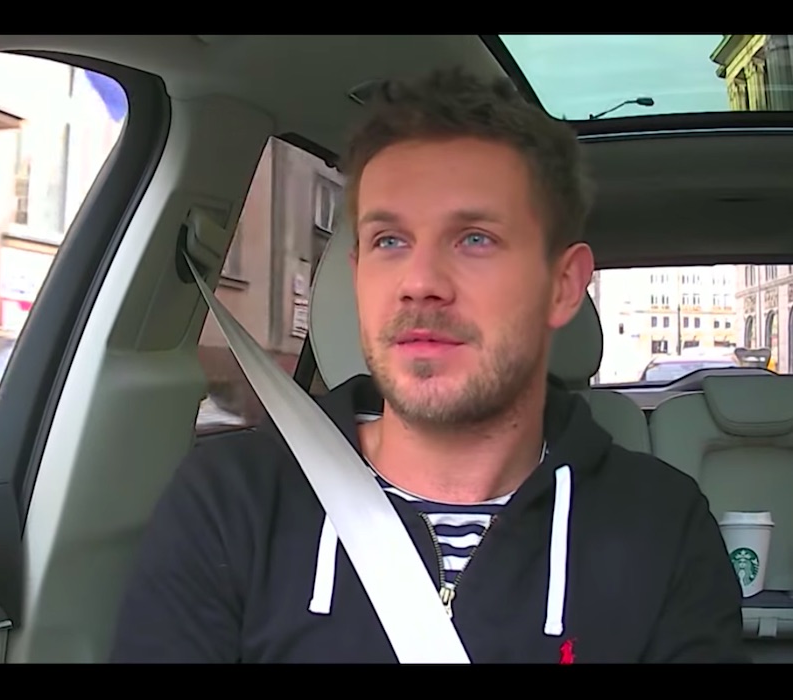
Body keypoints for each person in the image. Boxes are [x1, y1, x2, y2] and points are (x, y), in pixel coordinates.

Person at [109, 69, 747, 663]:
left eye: (475, 239)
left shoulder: (662, 529)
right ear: (357, 274)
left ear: (562, 285)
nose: (419, 283)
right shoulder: (232, 503)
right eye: (389, 241)